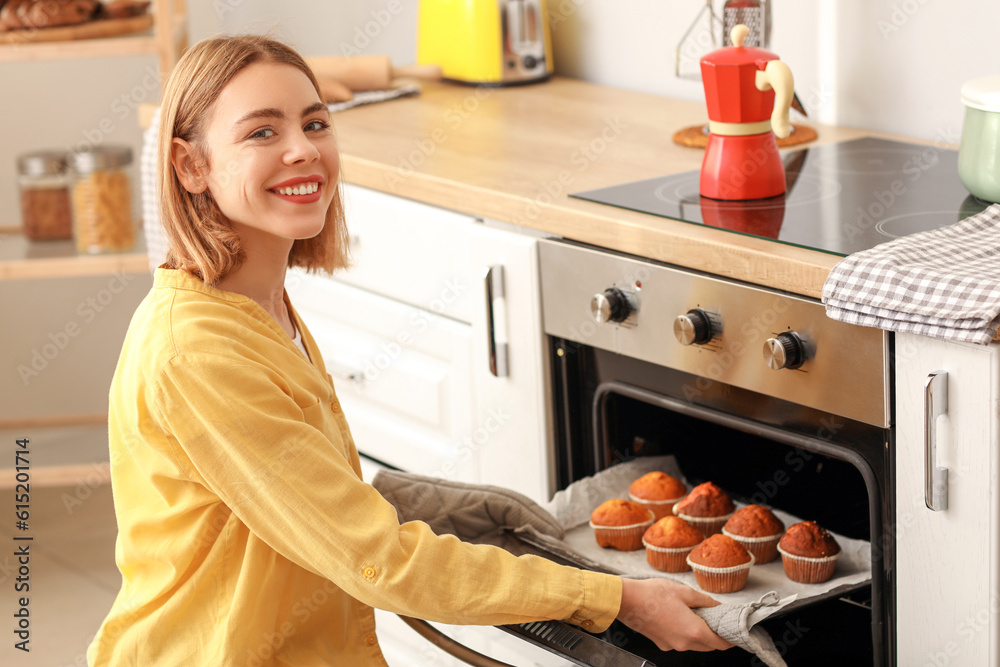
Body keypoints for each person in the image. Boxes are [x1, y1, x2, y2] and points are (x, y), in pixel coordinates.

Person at [87, 34, 732, 666]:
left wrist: (414, 504)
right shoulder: (198, 354)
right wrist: (614, 597)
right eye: (262, 132)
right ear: (190, 166)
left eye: (315, 123)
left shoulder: (259, 301)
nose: (302, 151)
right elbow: (380, 562)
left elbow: (291, 489)